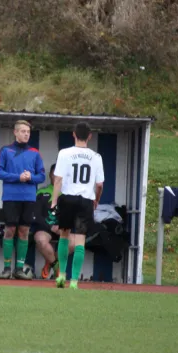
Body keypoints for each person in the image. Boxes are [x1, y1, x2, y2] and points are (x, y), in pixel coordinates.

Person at [50, 122, 104, 289]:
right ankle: (74, 281)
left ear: (73, 134)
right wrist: (96, 199)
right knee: (80, 240)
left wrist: (53, 201)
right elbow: (100, 184)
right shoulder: (96, 157)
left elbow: (58, 179)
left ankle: (61, 277)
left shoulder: (64, 153)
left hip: (67, 198)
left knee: (63, 236)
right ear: (90, 136)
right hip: (85, 200)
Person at [0, 120, 45, 280]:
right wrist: (18, 177)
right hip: (10, 198)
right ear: (15, 132)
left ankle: (20, 269)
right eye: (23, 131)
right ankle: (7, 268)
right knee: (10, 231)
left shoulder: (35, 153)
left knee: (24, 232)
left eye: (28, 132)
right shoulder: (5, 151)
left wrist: (31, 177)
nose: (26, 134)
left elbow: (42, 176)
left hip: (29, 199)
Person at [33, 163, 60, 279]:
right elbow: (35, 215)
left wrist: (63, 227)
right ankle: (57, 267)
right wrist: (51, 227)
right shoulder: (41, 192)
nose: (57, 177)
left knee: (75, 242)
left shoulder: (69, 194)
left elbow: (73, 216)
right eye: (54, 174)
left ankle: (49, 260)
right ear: (50, 175)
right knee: (40, 241)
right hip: (45, 227)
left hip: (63, 229)